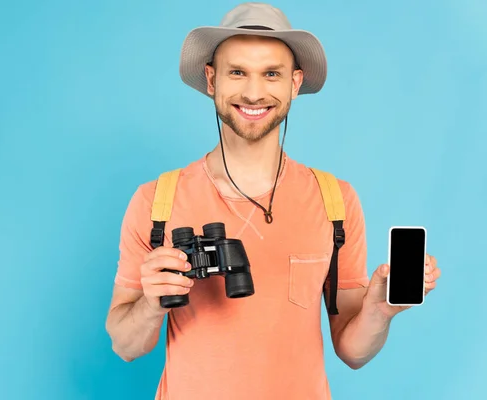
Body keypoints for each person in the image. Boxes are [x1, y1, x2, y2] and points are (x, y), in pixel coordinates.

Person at [105, 3, 441, 399]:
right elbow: (126, 346)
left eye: (271, 74)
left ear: (294, 84)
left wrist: (380, 310)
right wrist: (152, 303)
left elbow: (352, 350)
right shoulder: (156, 201)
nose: (253, 92)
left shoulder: (335, 200)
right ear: (211, 80)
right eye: (237, 72)